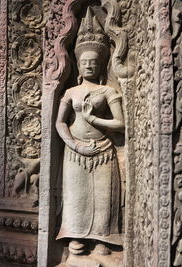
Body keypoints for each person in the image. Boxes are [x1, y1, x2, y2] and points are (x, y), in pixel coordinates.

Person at [55, 7, 124, 264]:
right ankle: (75, 243)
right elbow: (60, 123)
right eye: (85, 62)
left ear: (100, 64)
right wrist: (75, 144)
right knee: (76, 197)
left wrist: (94, 118)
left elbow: (120, 123)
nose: (89, 65)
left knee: (103, 197)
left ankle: (103, 240)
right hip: (75, 153)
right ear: (79, 66)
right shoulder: (71, 92)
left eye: (94, 62)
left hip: (103, 149)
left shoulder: (107, 91)